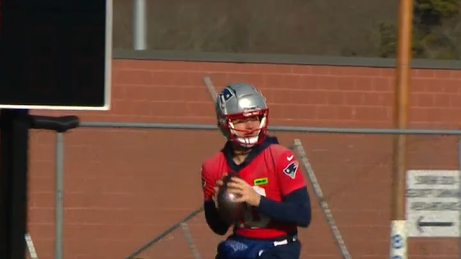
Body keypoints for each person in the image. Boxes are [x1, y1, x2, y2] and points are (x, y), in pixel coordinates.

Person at [201, 82, 312, 259]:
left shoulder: (280, 157)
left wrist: (257, 200)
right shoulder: (213, 166)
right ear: (224, 122)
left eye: (254, 118)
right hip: (240, 243)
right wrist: (220, 208)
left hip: (278, 246)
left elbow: (302, 214)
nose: (250, 125)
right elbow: (219, 228)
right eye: (241, 120)